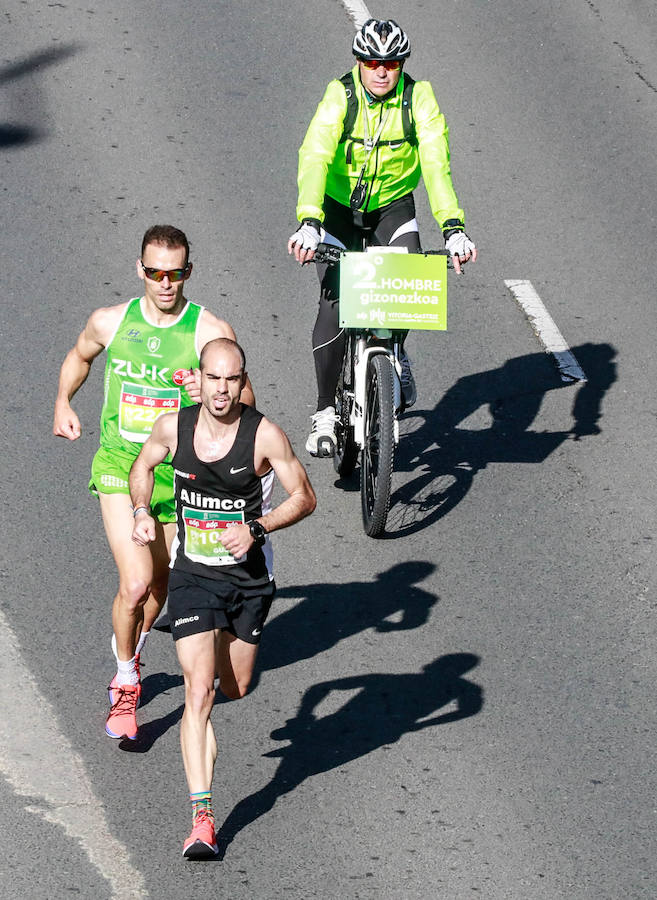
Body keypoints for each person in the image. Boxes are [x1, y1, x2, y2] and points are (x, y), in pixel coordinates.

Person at [53, 225, 255, 741]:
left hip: (181, 477)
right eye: (155, 273)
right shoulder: (111, 321)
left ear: (189, 272)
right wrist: (63, 403)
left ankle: (135, 654)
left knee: (160, 586)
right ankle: (125, 681)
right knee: (136, 582)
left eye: (176, 273)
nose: (166, 283)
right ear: (140, 270)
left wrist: (207, 390)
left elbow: (247, 403)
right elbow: (80, 356)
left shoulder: (208, 329)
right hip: (122, 466)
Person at [130, 337, 316, 858]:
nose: (221, 389)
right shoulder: (175, 427)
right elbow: (142, 468)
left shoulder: (264, 436)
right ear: (200, 379)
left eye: (231, 380)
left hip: (250, 581)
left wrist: (257, 526)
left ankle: (224, 681)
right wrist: (143, 511)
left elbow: (305, 496)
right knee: (199, 693)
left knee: (234, 685)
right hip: (192, 576)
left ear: (241, 382)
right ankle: (202, 819)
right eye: (213, 378)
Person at [288, 18, 477, 457]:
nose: (381, 71)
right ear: (358, 62)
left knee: (409, 279)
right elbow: (315, 153)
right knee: (334, 301)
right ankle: (323, 412)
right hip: (336, 208)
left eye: (391, 63)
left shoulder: (418, 98)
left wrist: (453, 227)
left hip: (392, 204)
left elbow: (435, 164)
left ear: (401, 64)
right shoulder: (342, 96)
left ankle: (394, 351)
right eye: (372, 61)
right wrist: (309, 219)